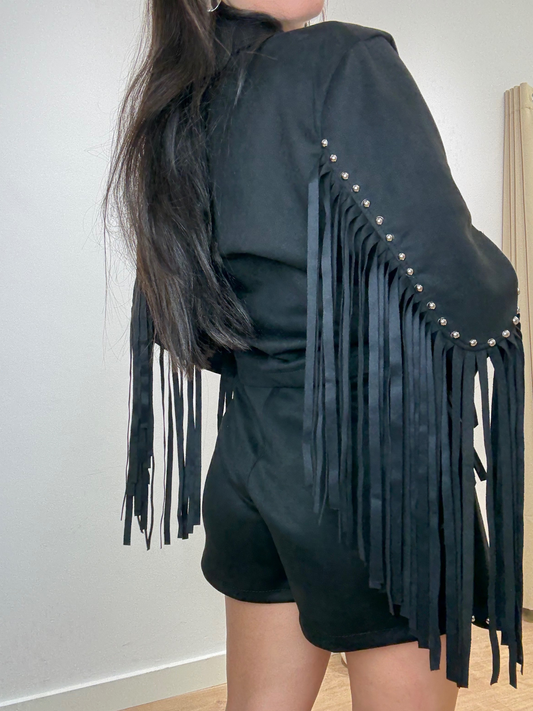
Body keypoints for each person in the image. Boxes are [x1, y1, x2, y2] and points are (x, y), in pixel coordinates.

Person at [102, 1, 525, 709]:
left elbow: (191, 317)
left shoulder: (178, 101)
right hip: (376, 473)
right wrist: (496, 292)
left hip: (249, 453)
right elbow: (458, 287)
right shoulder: (341, 58)